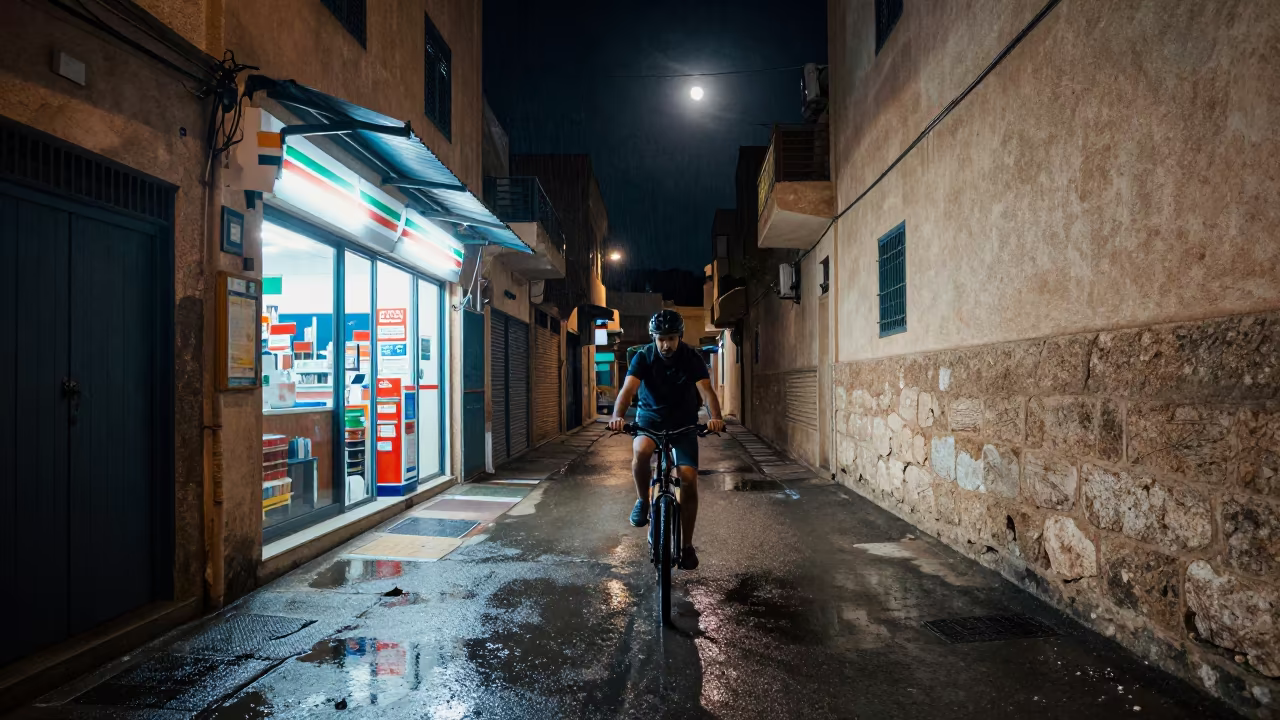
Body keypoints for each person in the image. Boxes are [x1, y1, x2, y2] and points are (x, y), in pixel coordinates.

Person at [607, 309, 726, 570]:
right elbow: (628, 391)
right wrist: (617, 416)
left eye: (671, 338)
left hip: (683, 422)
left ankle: (686, 546)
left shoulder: (691, 358)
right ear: (653, 337)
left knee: (688, 478)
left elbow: (706, 391)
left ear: (679, 337)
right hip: (649, 418)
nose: (666, 344)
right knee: (641, 451)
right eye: (661, 338)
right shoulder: (643, 357)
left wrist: (715, 417)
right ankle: (642, 500)